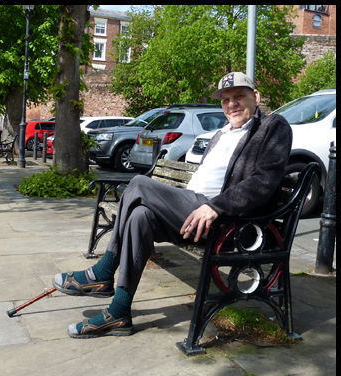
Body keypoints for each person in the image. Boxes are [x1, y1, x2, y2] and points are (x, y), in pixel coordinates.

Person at [52, 72, 293, 338]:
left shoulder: (273, 126)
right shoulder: (220, 133)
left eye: (239, 96)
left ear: (255, 97)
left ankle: (103, 272)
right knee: (140, 216)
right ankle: (119, 313)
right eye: (225, 100)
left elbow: (264, 181)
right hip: (193, 213)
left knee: (139, 183)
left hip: (226, 224)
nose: (232, 104)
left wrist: (216, 207)